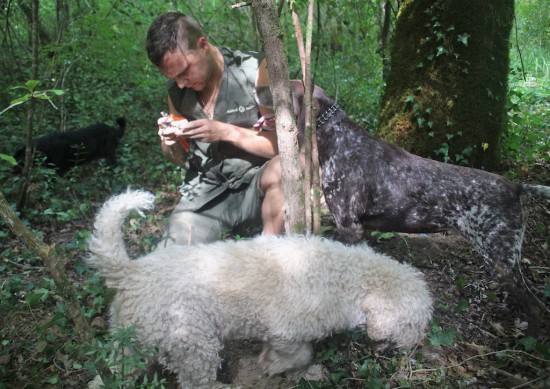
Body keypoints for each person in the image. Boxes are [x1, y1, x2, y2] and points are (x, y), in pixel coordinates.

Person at [145, 12, 284, 247]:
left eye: (184, 72)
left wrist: (225, 132)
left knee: (290, 165)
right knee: (171, 253)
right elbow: (179, 157)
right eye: (173, 77)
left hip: (256, 182)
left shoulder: (255, 71)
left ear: (203, 46)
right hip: (207, 191)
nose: (181, 83)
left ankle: (269, 260)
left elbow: (284, 147)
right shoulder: (178, 93)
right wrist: (170, 140)